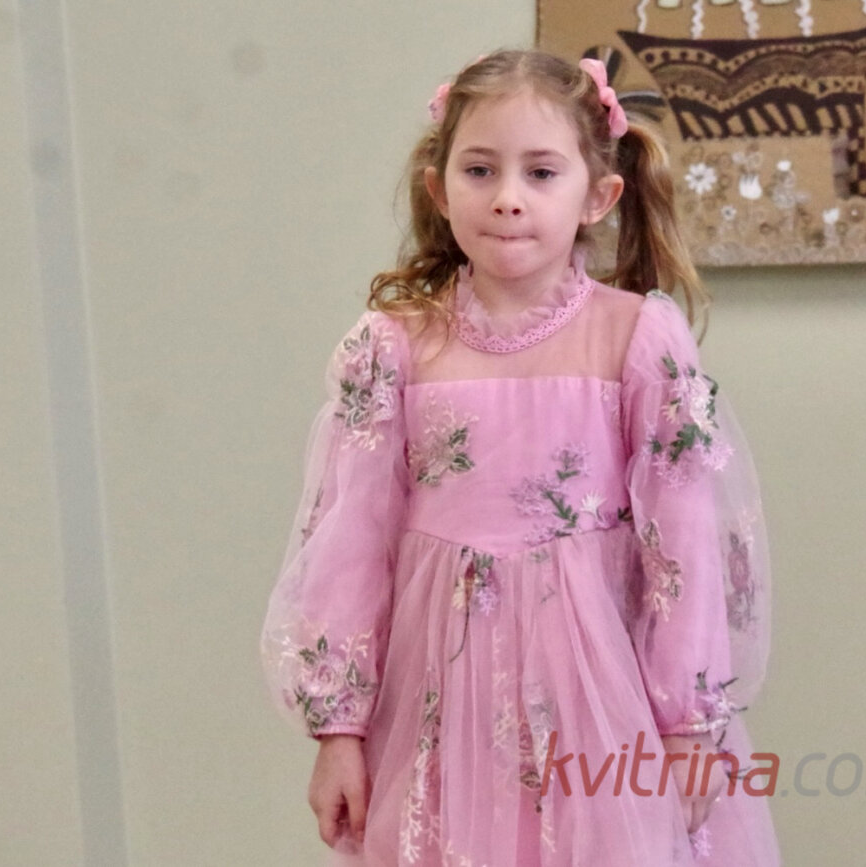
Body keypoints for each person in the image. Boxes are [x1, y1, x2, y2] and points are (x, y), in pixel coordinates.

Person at [261, 48, 779, 866]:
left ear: (597, 195)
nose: (507, 197)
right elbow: (349, 541)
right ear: (439, 189)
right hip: (440, 705)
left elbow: (685, 542)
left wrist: (687, 724)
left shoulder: (636, 339)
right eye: (479, 170)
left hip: (600, 707)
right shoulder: (392, 347)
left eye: (540, 173)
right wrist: (340, 730)